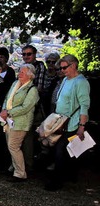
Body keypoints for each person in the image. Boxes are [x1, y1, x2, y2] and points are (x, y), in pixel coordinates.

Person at [45, 55, 90, 191]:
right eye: (61, 68)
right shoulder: (65, 79)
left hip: (72, 123)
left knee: (60, 151)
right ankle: (70, 175)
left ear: (73, 65)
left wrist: (81, 126)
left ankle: (57, 181)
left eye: (64, 67)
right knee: (65, 151)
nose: (62, 70)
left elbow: (84, 105)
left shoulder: (81, 82)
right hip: (60, 121)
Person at [0, 64, 39, 182]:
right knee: (11, 145)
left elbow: (26, 107)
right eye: (20, 71)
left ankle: (20, 173)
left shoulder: (33, 90)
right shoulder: (15, 84)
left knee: (13, 146)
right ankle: (14, 168)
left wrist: (9, 112)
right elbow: (7, 99)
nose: (19, 74)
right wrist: (4, 111)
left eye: (23, 72)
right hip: (9, 120)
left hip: (21, 122)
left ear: (30, 75)